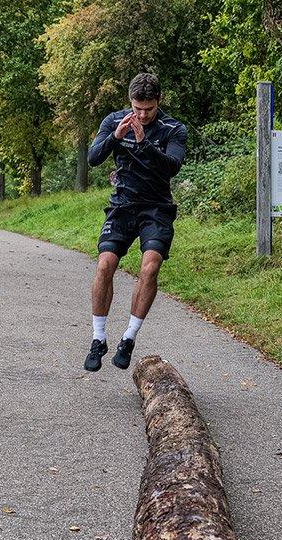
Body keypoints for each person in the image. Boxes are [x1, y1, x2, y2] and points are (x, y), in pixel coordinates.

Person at [82, 73, 188, 372]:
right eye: (137, 108)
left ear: (159, 102)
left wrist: (144, 143)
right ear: (130, 101)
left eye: (149, 109)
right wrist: (116, 136)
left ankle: (128, 337)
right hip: (122, 207)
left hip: (156, 208)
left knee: (150, 266)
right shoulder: (114, 120)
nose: (142, 115)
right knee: (104, 265)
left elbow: (172, 167)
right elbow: (93, 158)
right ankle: (98, 338)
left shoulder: (173, 128)